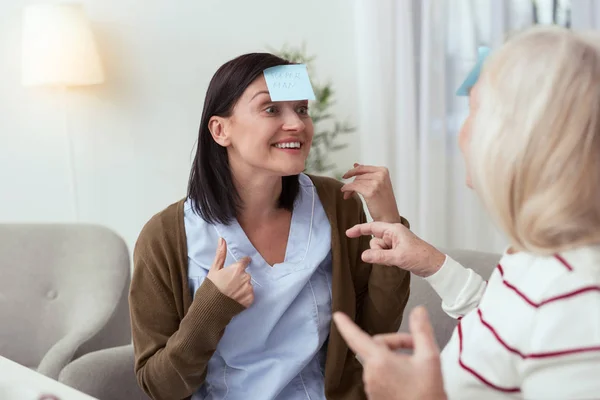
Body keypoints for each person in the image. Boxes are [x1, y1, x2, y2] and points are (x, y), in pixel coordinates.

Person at [334, 25, 600, 400]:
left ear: (520, 136)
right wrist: (431, 262)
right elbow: (508, 326)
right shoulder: (537, 253)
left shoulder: (578, 297)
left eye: (474, 110)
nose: (462, 131)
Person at [128, 52, 411, 400]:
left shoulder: (337, 203)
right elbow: (160, 387)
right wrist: (210, 310)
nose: (296, 124)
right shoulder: (165, 238)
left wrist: (388, 225)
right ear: (220, 129)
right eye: (271, 109)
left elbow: (374, 333)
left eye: (302, 109)